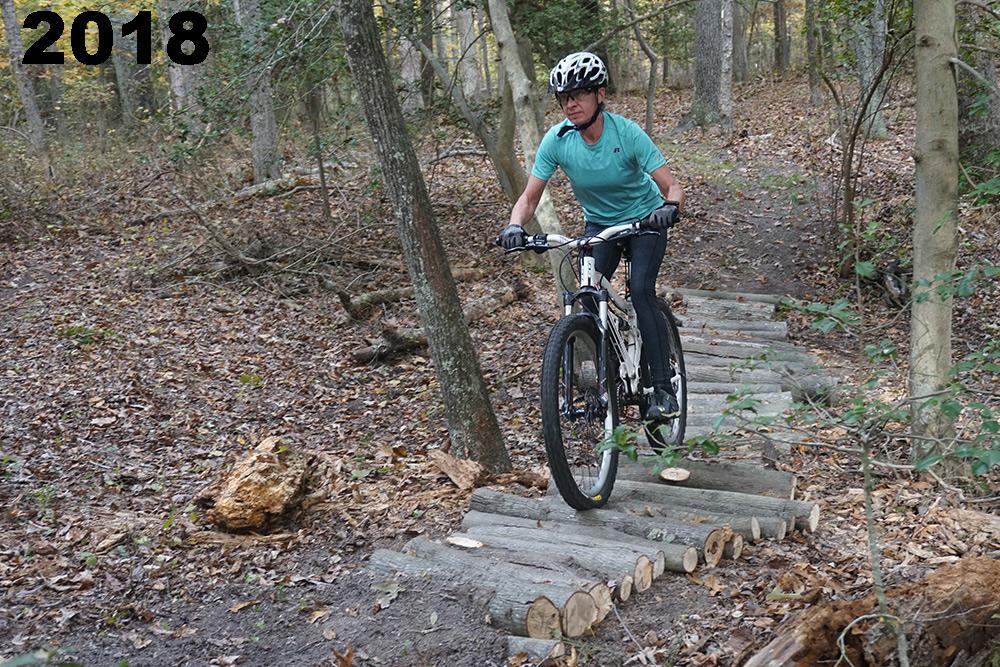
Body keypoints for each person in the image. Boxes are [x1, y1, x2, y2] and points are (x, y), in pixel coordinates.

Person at [498, 51, 685, 420]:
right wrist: (515, 225)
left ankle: (663, 388)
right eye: (564, 97)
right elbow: (530, 196)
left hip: (645, 222)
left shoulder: (627, 133)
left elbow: (673, 188)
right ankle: (609, 373)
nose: (570, 104)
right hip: (600, 226)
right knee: (587, 294)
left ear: (599, 94)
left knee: (642, 291)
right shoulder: (558, 140)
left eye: (579, 94)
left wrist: (669, 209)